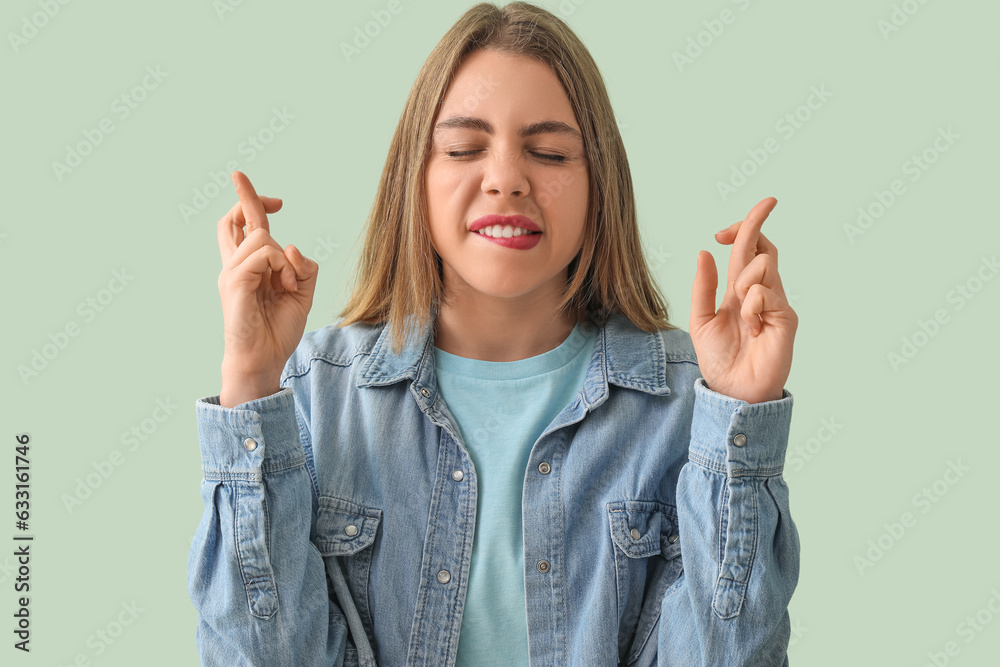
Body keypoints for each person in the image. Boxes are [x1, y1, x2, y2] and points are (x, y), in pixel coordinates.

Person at [187, 2, 799, 665]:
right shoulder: (314, 393)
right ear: (414, 182)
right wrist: (250, 382)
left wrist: (739, 418)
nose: (507, 178)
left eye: (549, 152)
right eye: (462, 148)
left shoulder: (690, 403)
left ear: (600, 184)